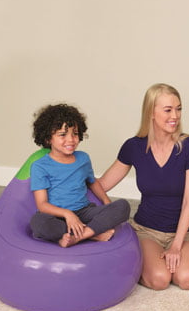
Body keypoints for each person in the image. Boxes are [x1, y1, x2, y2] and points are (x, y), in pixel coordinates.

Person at [99, 83, 189, 290]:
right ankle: (139, 257)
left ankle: (174, 253)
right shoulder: (134, 146)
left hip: (184, 233)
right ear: (151, 113)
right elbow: (101, 185)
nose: (175, 116)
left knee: (187, 279)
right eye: (168, 110)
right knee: (160, 280)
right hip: (147, 230)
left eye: (178, 109)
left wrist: (176, 246)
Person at [29, 104, 130, 248]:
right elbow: (42, 204)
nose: (71, 139)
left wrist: (107, 202)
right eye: (62, 134)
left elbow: (92, 182)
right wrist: (68, 214)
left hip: (84, 212)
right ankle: (93, 234)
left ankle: (79, 236)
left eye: (75, 134)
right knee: (38, 223)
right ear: (48, 138)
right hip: (58, 216)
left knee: (123, 206)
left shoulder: (83, 158)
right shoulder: (40, 166)